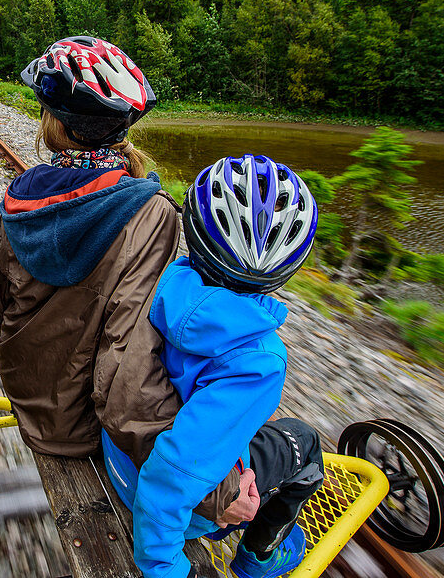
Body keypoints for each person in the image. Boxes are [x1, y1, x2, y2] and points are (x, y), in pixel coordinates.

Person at [101, 154, 325, 578]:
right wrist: (163, 565)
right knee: (305, 443)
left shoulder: (168, 283)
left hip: (117, 454)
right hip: (158, 501)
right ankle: (260, 557)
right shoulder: (260, 363)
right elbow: (173, 473)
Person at [0, 35, 182, 469]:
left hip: (25, 393)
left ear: (54, 122)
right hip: (84, 430)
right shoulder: (151, 213)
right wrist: (212, 490)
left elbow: (2, 306)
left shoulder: (21, 196)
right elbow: (127, 365)